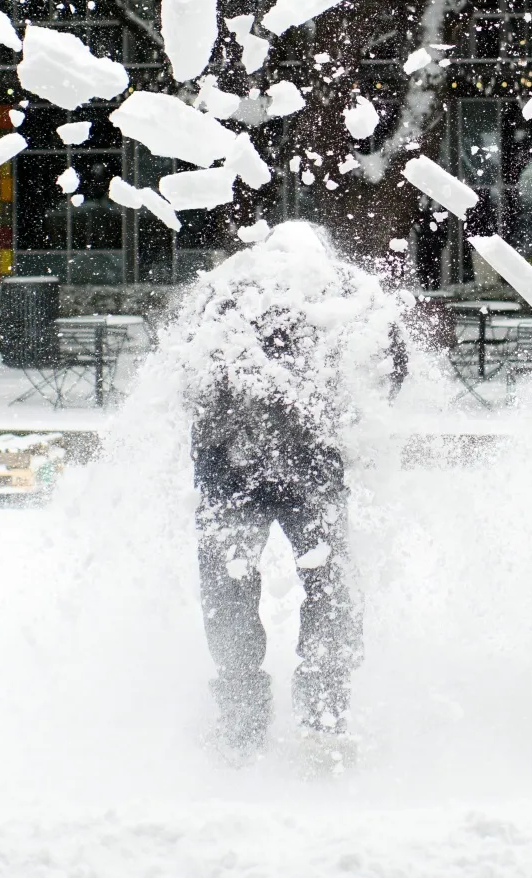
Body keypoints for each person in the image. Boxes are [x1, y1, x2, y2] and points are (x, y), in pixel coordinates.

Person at [171, 221, 407, 765]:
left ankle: (240, 711)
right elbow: (390, 364)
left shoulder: (225, 292)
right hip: (309, 467)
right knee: (331, 585)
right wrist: (353, 416)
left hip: (230, 468)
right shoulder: (345, 294)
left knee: (228, 588)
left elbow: (188, 372)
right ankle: (323, 711)